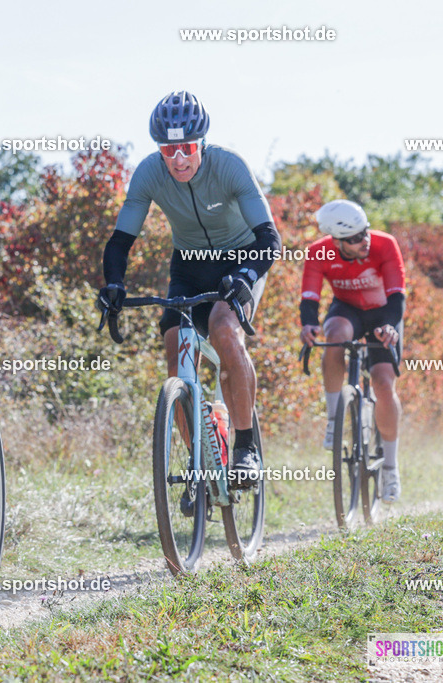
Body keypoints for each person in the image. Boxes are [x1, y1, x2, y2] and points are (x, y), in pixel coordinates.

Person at [97, 90, 281, 492]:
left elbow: (270, 239)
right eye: (168, 149)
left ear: (201, 142)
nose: (178, 158)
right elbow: (119, 241)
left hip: (241, 261)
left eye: (186, 147)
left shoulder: (230, 166)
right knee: (175, 345)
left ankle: (246, 447)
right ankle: (199, 466)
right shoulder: (149, 173)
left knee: (222, 326)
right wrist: (113, 284)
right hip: (190, 266)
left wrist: (247, 277)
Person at [300, 199, 405, 503]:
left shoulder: (385, 245)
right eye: (354, 239)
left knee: (384, 384)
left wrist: (388, 327)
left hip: (383, 314)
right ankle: (335, 418)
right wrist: (308, 326)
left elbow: (397, 296)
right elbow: (309, 298)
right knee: (333, 336)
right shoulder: (318, 251)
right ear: (335, 241)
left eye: (365, 232)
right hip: (347, 310)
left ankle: (390, 466)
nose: (364, 241)